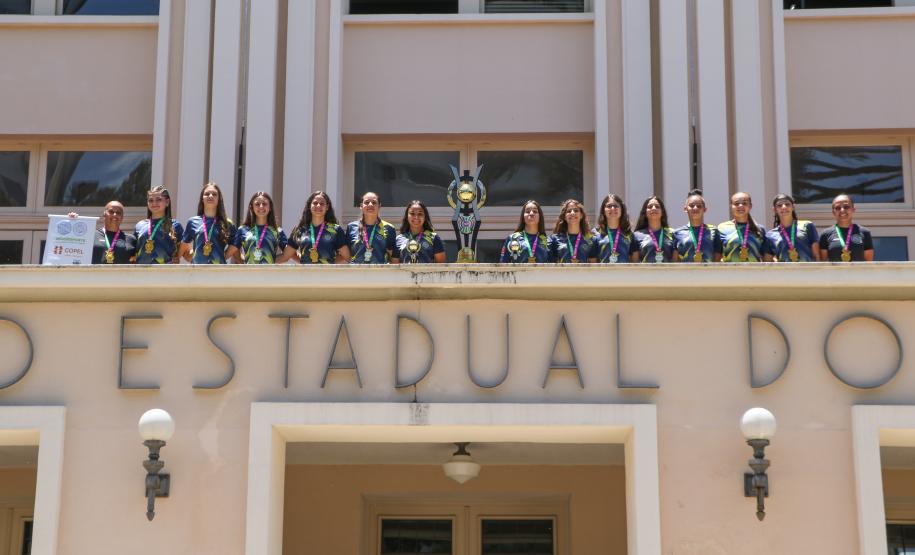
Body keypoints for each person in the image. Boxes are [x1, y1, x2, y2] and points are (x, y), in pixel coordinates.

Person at [283, 191, 350, 264]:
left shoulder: (336, 230)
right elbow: (286, 256)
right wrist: (303, 261)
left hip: (328, 274)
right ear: (309, 206)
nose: (318, 206)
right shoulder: (300, 229)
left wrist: (330, 263)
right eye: (315, 203)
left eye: (322, 204)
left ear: (327, 207)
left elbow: (346, 256)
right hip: (305, 273)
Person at [179, 182, 236, 264]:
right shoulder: (192, 222)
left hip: (218, 271)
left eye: (214, 194)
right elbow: (184, 244)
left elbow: (234, 245)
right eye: (207, 194)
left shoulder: (227, 223)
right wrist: (177, 258)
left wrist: (222, 256)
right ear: (202, 198)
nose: (210, 196)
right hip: (197, 271)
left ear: (219, 199)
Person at [227, 192, 290, 264]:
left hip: (270, 274)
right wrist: (246, 262)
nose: (261, 206)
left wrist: (270, 262)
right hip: (248, 274)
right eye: (257, 204)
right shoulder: (242, 230)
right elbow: (233, 251)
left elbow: (286, 255)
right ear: (252, 207)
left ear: (270, 208)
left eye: (265, 204)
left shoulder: (277, 231)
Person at [134, 185, 184, 264]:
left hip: (166, 273)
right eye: (151, 200)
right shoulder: (140, 225)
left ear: (167, 202)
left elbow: (185, 249)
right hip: (142, 273)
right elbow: (133, 252)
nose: (154, 203)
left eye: (159, 199)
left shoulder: (175, 225)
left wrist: (177, 257)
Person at [818, 193, 874, 262]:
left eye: (846, 207)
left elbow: (868, 263)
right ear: (833, 212)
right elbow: (823, 263)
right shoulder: (825, 234)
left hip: (858, 273)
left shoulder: (865, 232)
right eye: (838, 208)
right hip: (835, 273)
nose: (842, 210)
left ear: (853, 210)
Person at [765, 193, 819, 262]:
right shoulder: (770, 235)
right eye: (779, 205)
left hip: (807, 271)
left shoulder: (807, 225)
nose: (784, 207)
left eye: (787, 204)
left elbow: (817, 256)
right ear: (775, 210)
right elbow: (768, 261)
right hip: (785, 272)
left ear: (793, 207)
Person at [346, 191, 396, 264]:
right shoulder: (351, 227)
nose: (370, 204)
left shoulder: (389, 228)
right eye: (366, 202)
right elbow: (346, 255)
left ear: (379, 206)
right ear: (361, 206)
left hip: (380, 273)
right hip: (356, 273)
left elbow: (393, 257)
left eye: (374, 202)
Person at [672, 189, 721, 263]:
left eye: (699, 206)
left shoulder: (713, 231)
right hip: (685, 273)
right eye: (691, 205)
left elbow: (717, 259)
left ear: (704, 209)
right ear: (685, 209)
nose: (695, 208)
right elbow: (675, 261)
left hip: (708, 273)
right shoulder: (677, 233)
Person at [718, 192, 767, 262]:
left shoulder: (760, 229)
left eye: (744, 203)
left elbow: (765, 257)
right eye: (736, 203)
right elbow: (717, 255)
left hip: (754, 271)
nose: (740, 206)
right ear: (731, 206)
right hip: (730, 272)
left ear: (750, 206)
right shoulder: (722, 228)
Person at [548, 199, 596, 263]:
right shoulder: (554, 239)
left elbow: (593, 266)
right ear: (564, 216)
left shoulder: (591, 239)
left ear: (581, 215)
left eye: (576, 210)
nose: (572, 213)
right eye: (569, 211)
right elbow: (551, 265)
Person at [592, 194, 636, 264]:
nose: (612, 208)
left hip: (624, 274)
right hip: (603, 274)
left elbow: (635, 262)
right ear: (603, 210)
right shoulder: (595, 233)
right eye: (609, 206)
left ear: (622, 209)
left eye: (616, 206)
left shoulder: (629, 233)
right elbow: (592, 263)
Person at [632, 196, 674, 263]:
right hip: (645, 273)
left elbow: (675, 260)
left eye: (657, 206)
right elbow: (635, 262)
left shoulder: (672, 233)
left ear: (662, 212)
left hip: (667, 273)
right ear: (645, 212)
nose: (654, 208)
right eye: (650, 206)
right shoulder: (636, 236)